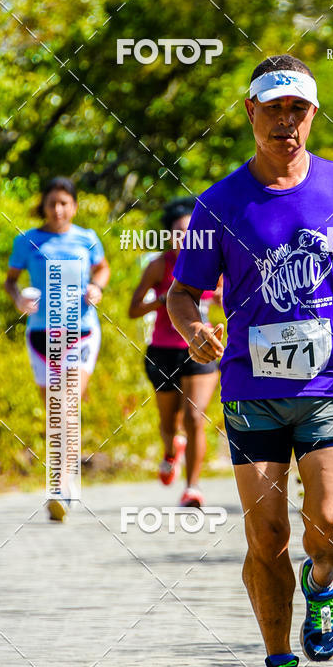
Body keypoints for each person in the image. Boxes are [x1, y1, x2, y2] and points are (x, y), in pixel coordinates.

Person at [168, 55, 333, 667]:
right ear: (250, 113)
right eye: (272, 108)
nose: (285, 121)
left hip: (330, 386)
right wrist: (195, 330)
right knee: (265, 537)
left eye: (297, 109)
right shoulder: (219, 203)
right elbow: (184, 294)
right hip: (249, 388)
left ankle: (322, 584)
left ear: (313, 115)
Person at [5, 177, 110, 521]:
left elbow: (102, 268)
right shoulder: (28, 240)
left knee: (67, 405)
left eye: (65, 203)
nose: (58, 209)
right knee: (54, 412)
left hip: (80, 331)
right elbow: (10, 280)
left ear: (74, 207)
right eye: (52, 203)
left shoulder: (87, 238)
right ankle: (64, 483)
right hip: (41, 335)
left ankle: (61, 486)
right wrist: (19, 297)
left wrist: (96, 286)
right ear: (44, 206)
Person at [128, 197, 221, 507]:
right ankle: (171, 450)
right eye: (178, 232)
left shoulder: (209, 263)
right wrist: (162, 301)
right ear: (168, 234)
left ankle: (192, 487)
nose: (185, 238)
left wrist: (223, 298)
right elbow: (133, 309)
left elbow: (225, 297)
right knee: (169, 423)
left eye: (190, 231)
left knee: (195, 418)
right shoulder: (159, 266)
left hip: (199, 350)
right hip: (162, 352)